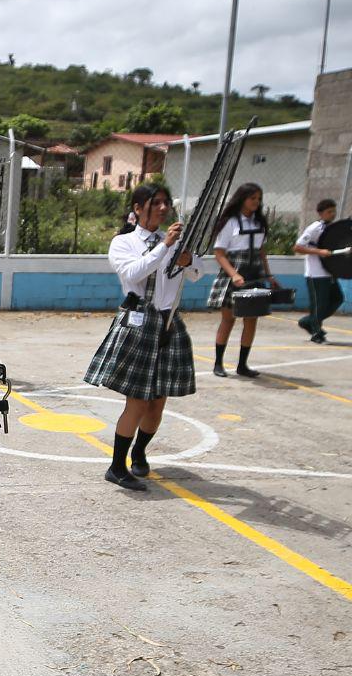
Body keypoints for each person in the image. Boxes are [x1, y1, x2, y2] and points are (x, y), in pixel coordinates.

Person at [84, 183, 202, 492]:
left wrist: (188, 261)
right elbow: (134, 273)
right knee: (136, 400)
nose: (163, 208)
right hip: (139, 324)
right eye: (155, 203)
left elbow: (197, 273)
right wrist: (165, 247)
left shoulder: (173, 240)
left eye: (165, 202)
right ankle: (116, 466)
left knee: (157, 402)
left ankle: (139, 451)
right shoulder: (123, 242)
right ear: (138, 208)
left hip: (168, 323)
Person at [207, 183, 278, 378]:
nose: (256, 202)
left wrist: (269, 275)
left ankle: (242, 365)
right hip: (233, 274)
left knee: (251, 320)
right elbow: (219, 253)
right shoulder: (230, 222)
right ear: (242, 199)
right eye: (252, 198)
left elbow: (261, 252)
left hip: (254, 274)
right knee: (228, 319)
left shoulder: (259, 223)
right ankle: (218, 363)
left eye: (258, 199)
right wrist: (234, 274)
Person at [294, 198, 344, 344]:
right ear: (321, 213)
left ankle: (307, 321)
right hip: (315, 274)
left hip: (329, 272)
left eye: (334, 211)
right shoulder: (314, 228)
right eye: (329, 212)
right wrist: (319, 251)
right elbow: (297, 247)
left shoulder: (333, 228)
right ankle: (316, 333)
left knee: (337, 299)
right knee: (319, 305)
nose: (332, 214)